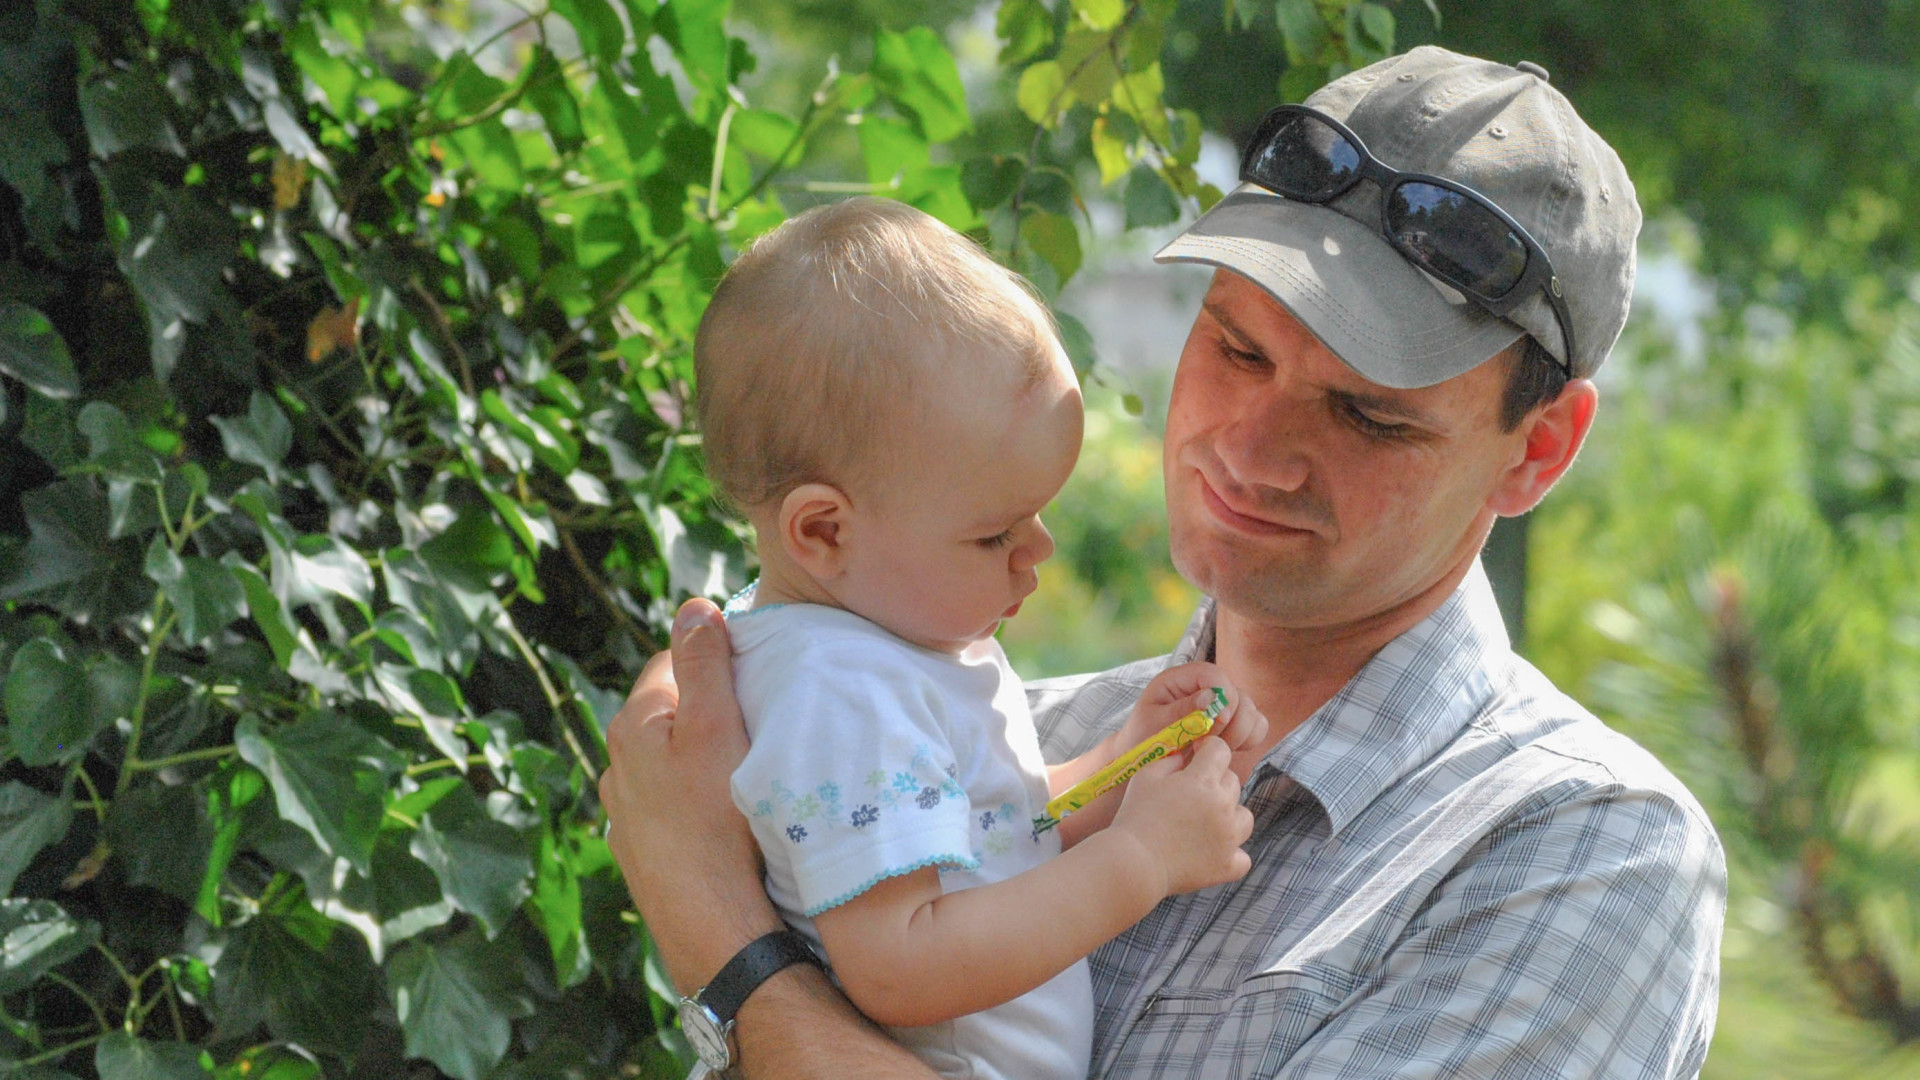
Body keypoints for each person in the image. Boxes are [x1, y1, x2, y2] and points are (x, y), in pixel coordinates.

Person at [601, 45, 1727, 1079]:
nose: (1248, 449)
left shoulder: (1581, 854)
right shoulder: (1028, 736)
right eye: (1236, 347)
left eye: (1368, 416)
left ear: (1536, 453)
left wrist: (724, 939)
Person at [684, 197, 1266, 1080]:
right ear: (825, 534)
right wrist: (1140, 858)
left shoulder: (888, 648)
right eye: (995, 533)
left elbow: (990, 846)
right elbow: (900, 961)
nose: (1040, 549)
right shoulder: (839, 695)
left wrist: (1123, 761)